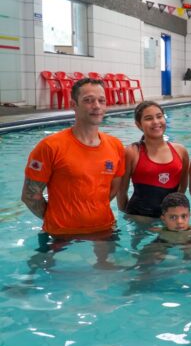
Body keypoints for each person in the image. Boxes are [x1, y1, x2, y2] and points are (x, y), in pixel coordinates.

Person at [22, 78, 125, 236]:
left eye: (101, 100)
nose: (96, 106)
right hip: (60, 235)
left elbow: (112, 189)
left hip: (104, 230)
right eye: (88, 100)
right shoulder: (50, 146)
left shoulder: (115, 146)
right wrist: (56, 219)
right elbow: (30, 196)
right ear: (73, 105)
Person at [118, 101, 189, 218]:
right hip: (139, 217)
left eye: (159, 116)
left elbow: (182, 187)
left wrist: (174, 214)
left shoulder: (180, 151)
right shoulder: (132, 152)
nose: (156, 122)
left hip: (168, 219)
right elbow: (122, 191)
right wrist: (127, 217)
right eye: (148, 118)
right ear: (138, 124)